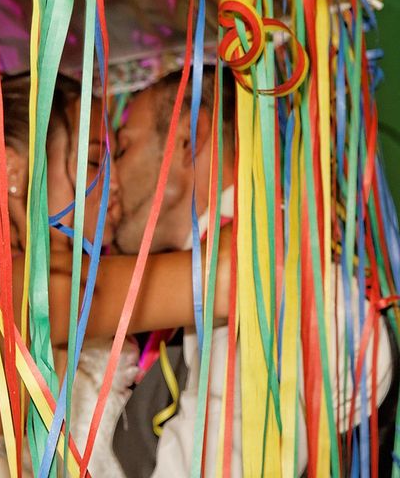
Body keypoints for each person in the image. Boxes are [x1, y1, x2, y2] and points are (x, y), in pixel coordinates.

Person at [109, 66, 397, 477]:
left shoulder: (277, 280)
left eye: (122, 150)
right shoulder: (203, 288)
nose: (110, 183)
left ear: (189, 140)